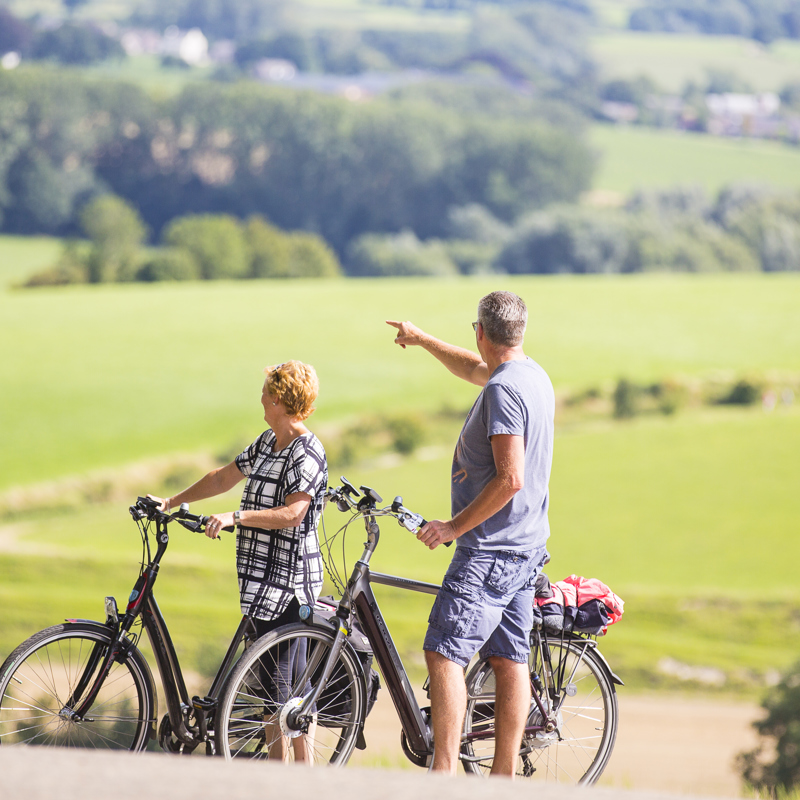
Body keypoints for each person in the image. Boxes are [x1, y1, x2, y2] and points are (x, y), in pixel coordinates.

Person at [386, 290, 554, 777]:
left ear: (480, 331)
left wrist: (452, 527)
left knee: (444, 650)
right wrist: (421, 340)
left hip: (489, 551)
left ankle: (444, 776)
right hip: (525, 547)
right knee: (508, 658)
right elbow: (471, 369)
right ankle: (501, 778)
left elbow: (511, 478)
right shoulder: (531, 376)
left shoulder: (504, 390)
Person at [149, 360, 328, 762]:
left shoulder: (307, 452)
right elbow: (222, 478)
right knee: (278, 698)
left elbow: (293, 514)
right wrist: (172, 501)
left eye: (266, 391)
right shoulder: (269, 442)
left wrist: (237, 516)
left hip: (288, 587)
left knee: (282, 700)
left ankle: (291, 783)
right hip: (260, 584)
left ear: (280, 399)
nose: (261, 397)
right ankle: (297, 780)